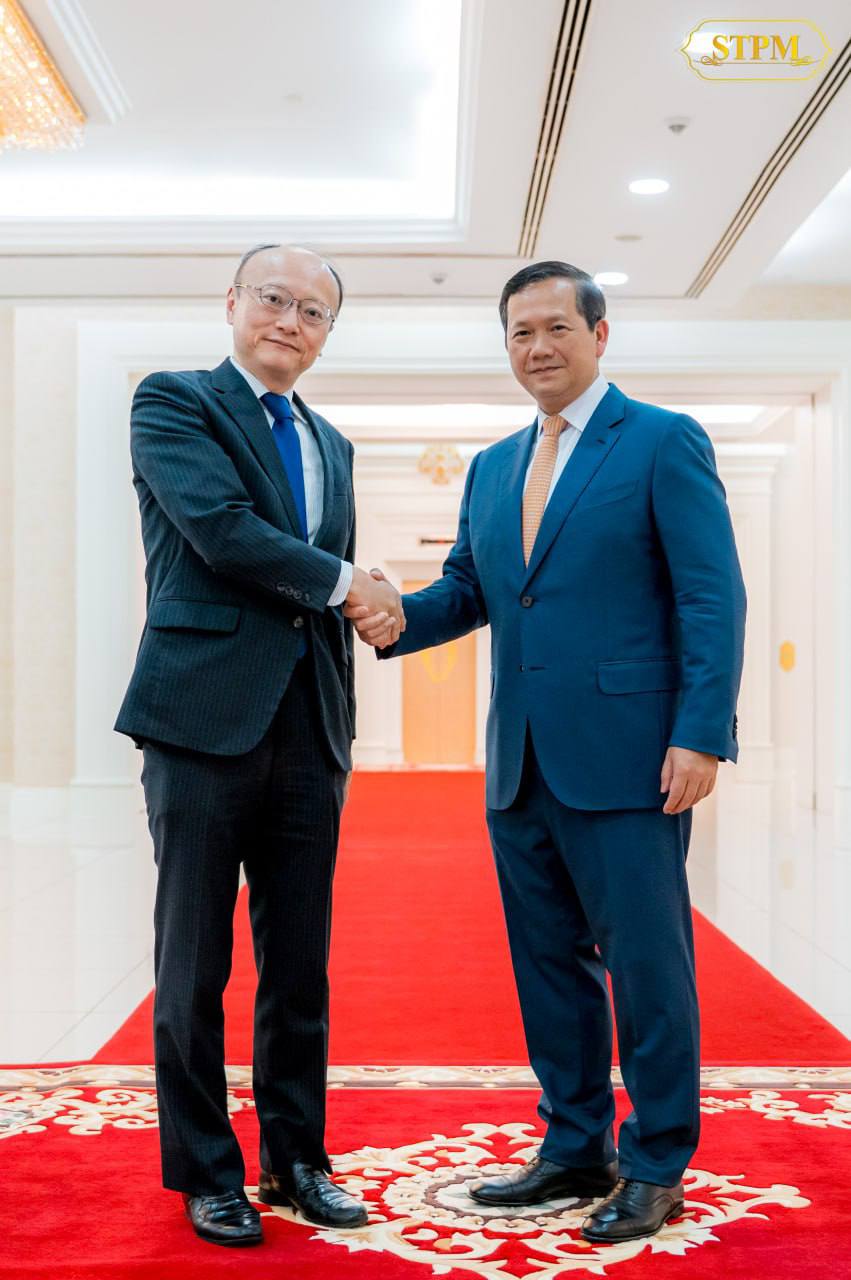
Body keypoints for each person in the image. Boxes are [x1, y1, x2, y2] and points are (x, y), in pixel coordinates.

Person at [348, 261, 746, 1244]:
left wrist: (700, 731)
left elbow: (709, 595)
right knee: (547, 967)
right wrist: (395, 614)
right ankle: (573, 1145)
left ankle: (655, 1162)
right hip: (520, 759)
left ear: (598, 335)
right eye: (519, 332)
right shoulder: (492, 466)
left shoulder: (660, 440)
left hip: (630, 756)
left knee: (646, 966)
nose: (536, 347)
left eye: (555, 327)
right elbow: (471, 589)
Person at [115, 244, 404, 1247]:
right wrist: (353, 585)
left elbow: (316, 580)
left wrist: (365, 606)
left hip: (309, 723)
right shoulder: (174, 400)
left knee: (299, 964)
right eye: (275, 298)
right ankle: (206, 1170)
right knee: (194, 960)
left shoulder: (333, 443)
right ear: (233, 302)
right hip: (202, 716)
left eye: (314, 311)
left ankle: (297, 1157)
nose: (291, 319)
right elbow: (221, 529)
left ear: (327, 333)